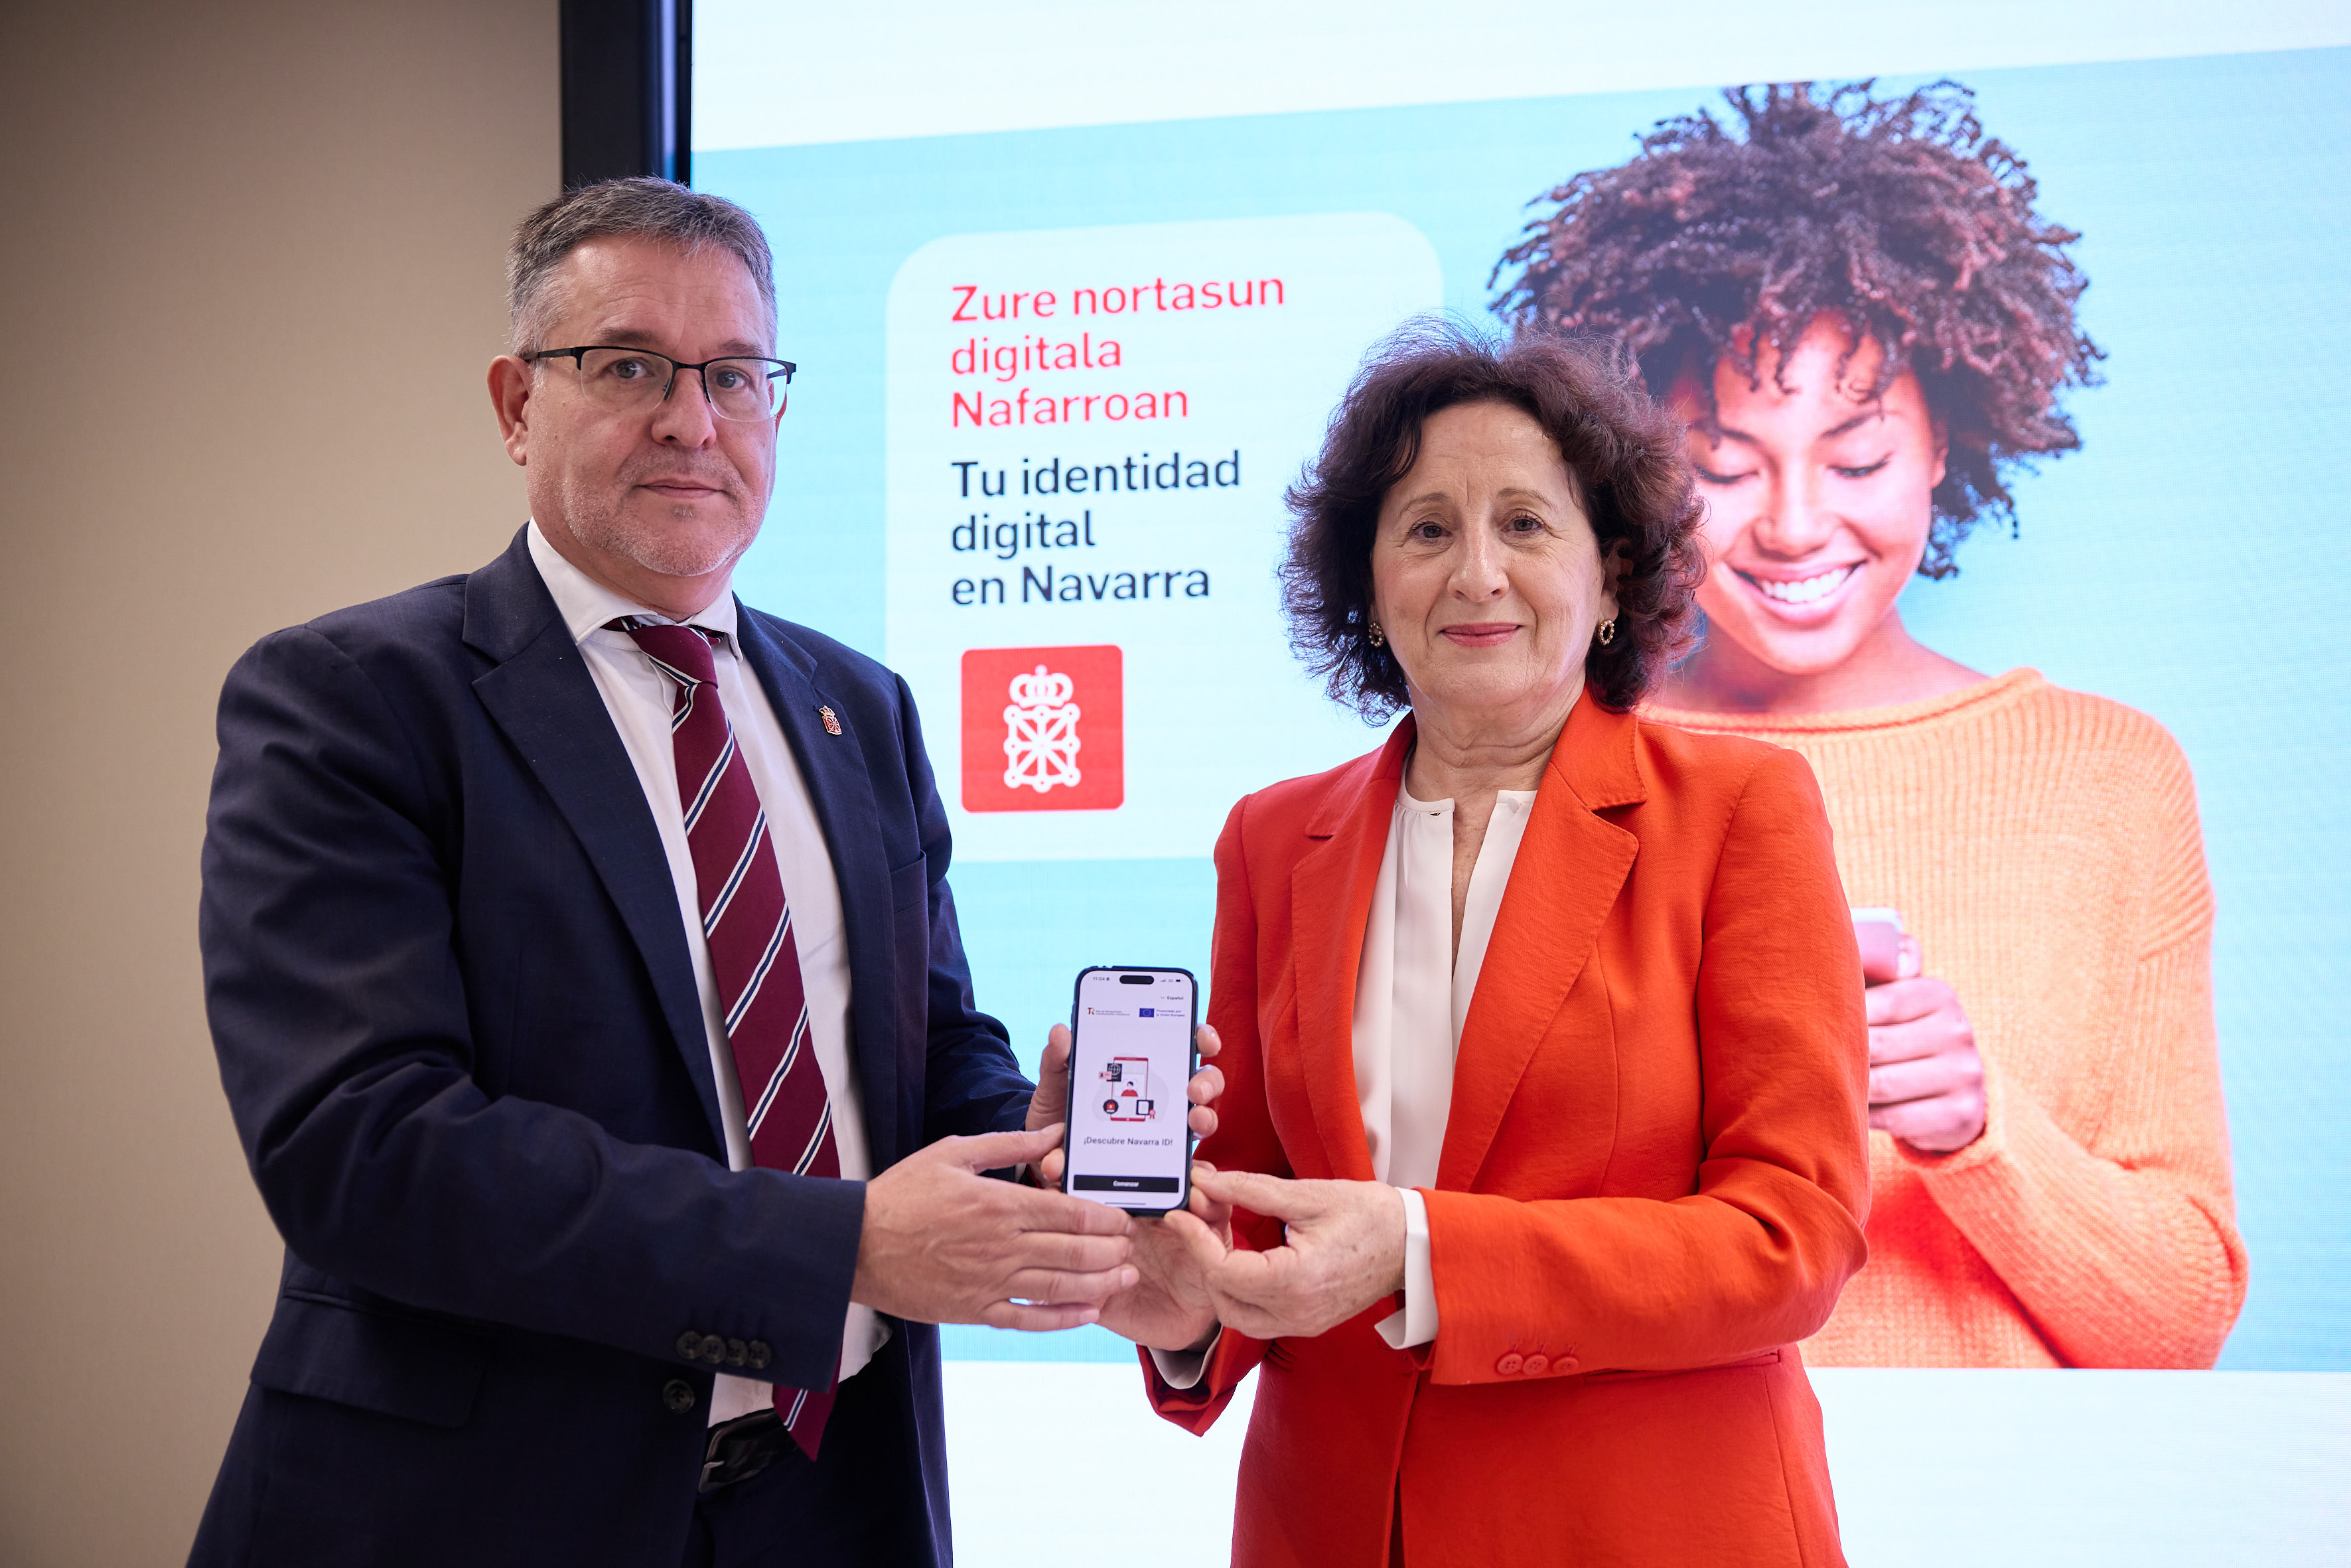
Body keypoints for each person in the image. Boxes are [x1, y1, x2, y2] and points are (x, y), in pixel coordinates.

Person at [189, 178, 1220, 1568]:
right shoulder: (351, 699)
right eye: (629, 367)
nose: (693, 420)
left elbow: (919, 1053)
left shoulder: (862, 707)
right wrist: (841, 1248)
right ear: (516, 404)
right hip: (482, 1509)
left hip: (832, 1501)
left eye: (734, 375)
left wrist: (1035, 1151)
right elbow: (364, 1151)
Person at [1091, 323, 1872, 1567]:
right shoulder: (1271, 839)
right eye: (1426, 530)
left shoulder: (1741, 811)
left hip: (1647, 1530)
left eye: (1524, 523)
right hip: (1335, 1531)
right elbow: (1254, 1217)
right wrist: (1186, 1313)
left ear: (1612, 577)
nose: (1476, 574)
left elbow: (1793, 1238)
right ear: (1368, 585)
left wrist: (1422, 1252)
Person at [1492, 80, 2246, 1367]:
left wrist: (1977, 1131)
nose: (1793, 525)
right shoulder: (1536, 767)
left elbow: (2178, 1322)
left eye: (1855, 459)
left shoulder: (2104, 779)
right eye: (1721, 467)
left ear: (1944, 440)